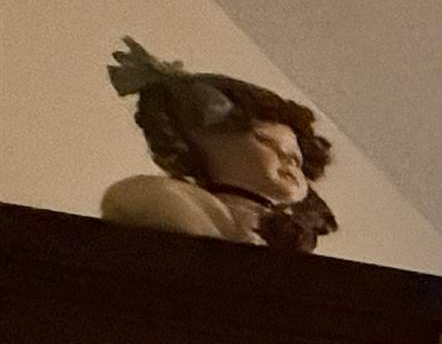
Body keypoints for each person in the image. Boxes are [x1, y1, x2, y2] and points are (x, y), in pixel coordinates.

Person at [98, 37, 339, 253]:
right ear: (199, 137)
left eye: (296, 158)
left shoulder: (292, 228)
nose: (287, 159)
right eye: (265, 141)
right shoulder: (190, 204)